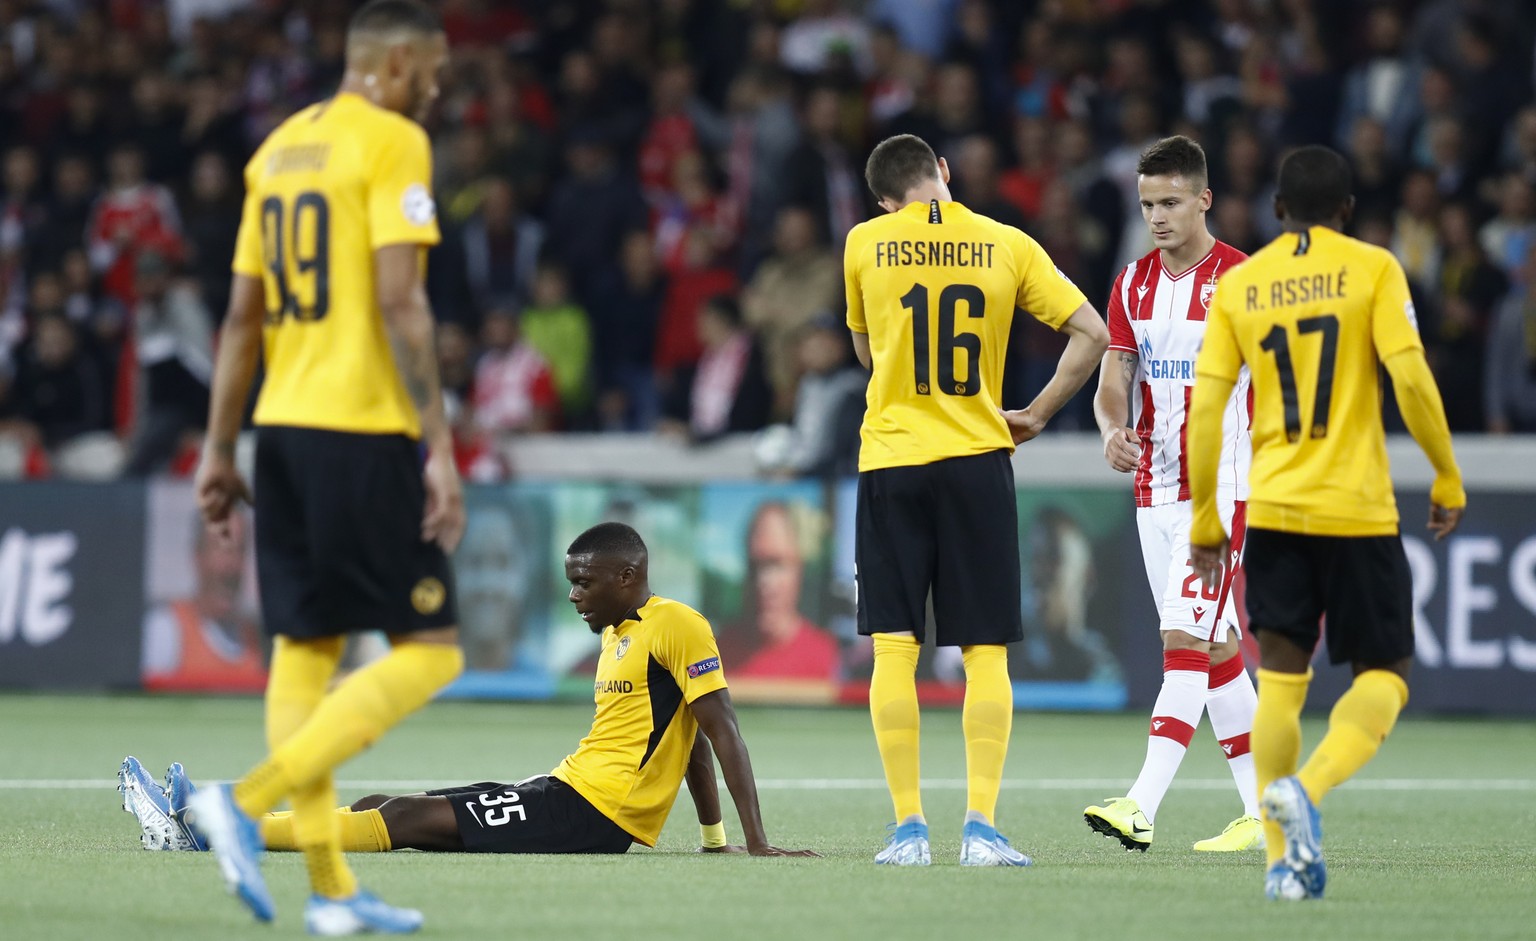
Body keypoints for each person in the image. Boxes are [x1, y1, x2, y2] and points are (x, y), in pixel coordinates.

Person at [186, 2, 466, 934]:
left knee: (304, 652)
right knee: (433, 651)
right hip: (359, 428)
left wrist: (221, 449)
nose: (436, 89)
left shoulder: (276, 153)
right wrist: (440, 445)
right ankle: (243, 798)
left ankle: (334, 895)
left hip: (283, 433)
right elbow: (402, 301)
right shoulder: (390, 143)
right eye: (430, 71)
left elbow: (239, 319)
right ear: (390, 63)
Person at [119, 523, 817, 862]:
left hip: (591, 817)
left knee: (410, 818)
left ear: (630, 575)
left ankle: (208, 827)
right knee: (381, 807)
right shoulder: (616, 637)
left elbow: (717, 729)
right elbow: (684, 742)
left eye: (586, 581)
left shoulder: (679, 625)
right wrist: (711, 839)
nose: (573, 594)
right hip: (565, 790)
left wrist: (753, 842)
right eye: (570, 580)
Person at [1188, 145, 1466, 901]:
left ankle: (1284, 865)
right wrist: (1445, 472)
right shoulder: (1373, 268)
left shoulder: (1240, 286)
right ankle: (1306, 790)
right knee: (1386, 674)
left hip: (1274, 509)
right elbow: (1410, 375)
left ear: (1277, 211)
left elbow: (1208, 410)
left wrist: (1209, 519)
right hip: (1355, 509)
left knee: (1279, 676)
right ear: (1347, 210)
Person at [845, 133, 1108, 866]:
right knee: (984, 650)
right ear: (946, 175)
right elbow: (1093, 331)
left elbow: (867, 355)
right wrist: (1038, 411)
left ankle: (907, 831)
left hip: (893, 459)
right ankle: (982, 829)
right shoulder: (1006, 243)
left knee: (895, 647)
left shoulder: (865, 242)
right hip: (976, 459)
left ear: (886, 200)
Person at [1084, 136, 1262, 854]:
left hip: (1220, 490)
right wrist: (1109, 429)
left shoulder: (1246, 284)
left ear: (1204, 199)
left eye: (1171, 202)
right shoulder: (1131, 284)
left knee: (1183, 640)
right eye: (1148, 203)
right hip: (1153, 490)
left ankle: (1140, 802)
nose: (1157, 216)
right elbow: (1113, 379)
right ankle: (1266, 810)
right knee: (1217, 649)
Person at [141, 508, 266, 692]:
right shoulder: (167, 631)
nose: (230, 566)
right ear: (197, 556)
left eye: (239, 550)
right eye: (221, 550)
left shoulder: (258, 641)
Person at [718, 500, 840, 682]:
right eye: (755, 566)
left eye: (776, 564)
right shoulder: (717, 654)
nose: (763, 581)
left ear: (800, 568)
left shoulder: (827, 657)